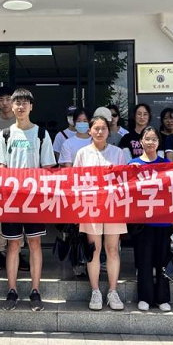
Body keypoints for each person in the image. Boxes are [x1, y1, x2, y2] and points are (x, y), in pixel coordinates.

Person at [0, 88, 56, 311]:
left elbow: (48, 167)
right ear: (11, 106)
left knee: (35, 243)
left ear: (31, 107)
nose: (20, 107)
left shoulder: (41, 134)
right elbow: (0, 165)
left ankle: (35, 291)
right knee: (13, 244)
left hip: (34, 199)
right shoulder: (5, 134)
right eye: (17, 103)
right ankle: (12, 290)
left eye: (24, 103)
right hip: (11, 199)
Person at [74, 114, 126, 311]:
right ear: (89, 131)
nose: (99, 131)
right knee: (94, 250)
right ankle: (95, 291)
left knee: (112, 249)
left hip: (113, 206)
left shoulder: (117, 152)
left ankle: (113, 291)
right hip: (91, 207)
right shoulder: (82, 153)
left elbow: (124, 180)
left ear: (108, 131)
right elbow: (75, 181)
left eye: (103, 128)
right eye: (96, 128)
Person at [128, 126, 172, 312]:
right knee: (144, 260)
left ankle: (162, 298)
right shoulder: (133, 164)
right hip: (142, 222)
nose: (150, 142)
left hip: (163, 220)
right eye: (147, 139)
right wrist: (131, 173)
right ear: (141, 142)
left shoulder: (166, 165)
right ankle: (144, 297)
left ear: (159, 142)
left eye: (154, 139)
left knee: (163, 261)